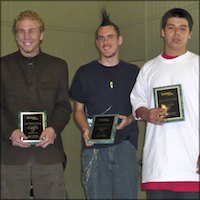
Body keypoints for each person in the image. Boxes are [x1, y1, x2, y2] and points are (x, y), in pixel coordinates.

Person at [1, 10, 72, 199]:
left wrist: (53, 129)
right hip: (11, 156)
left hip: (48, 154)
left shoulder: (58, 66)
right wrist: (10, 131)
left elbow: (63, 106)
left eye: (31, 31)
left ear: (41, 34)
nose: (26, 36)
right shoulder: (2, 66)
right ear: (16, 36)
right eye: (21, 31)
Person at [70, 8, 140, 200]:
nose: (105, 42)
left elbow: (142, 109)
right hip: (94, 148)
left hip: (125, 146)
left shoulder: (134, 72)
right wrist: (85, 129)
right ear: (96, 42)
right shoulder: (84, 73)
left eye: (110, 37)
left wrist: (130, 119)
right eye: (101, 38)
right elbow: (77, 110)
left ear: (120, 40)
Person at [130, 8, 199, 199]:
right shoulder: (149, 68)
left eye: (182, 28)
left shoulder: (197, 65)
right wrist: (146, 114)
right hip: (158, 166)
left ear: (190, 33)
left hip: (191, 167)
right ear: (162, 31)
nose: (177, 33)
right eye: (171, 27)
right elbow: (137, 101)